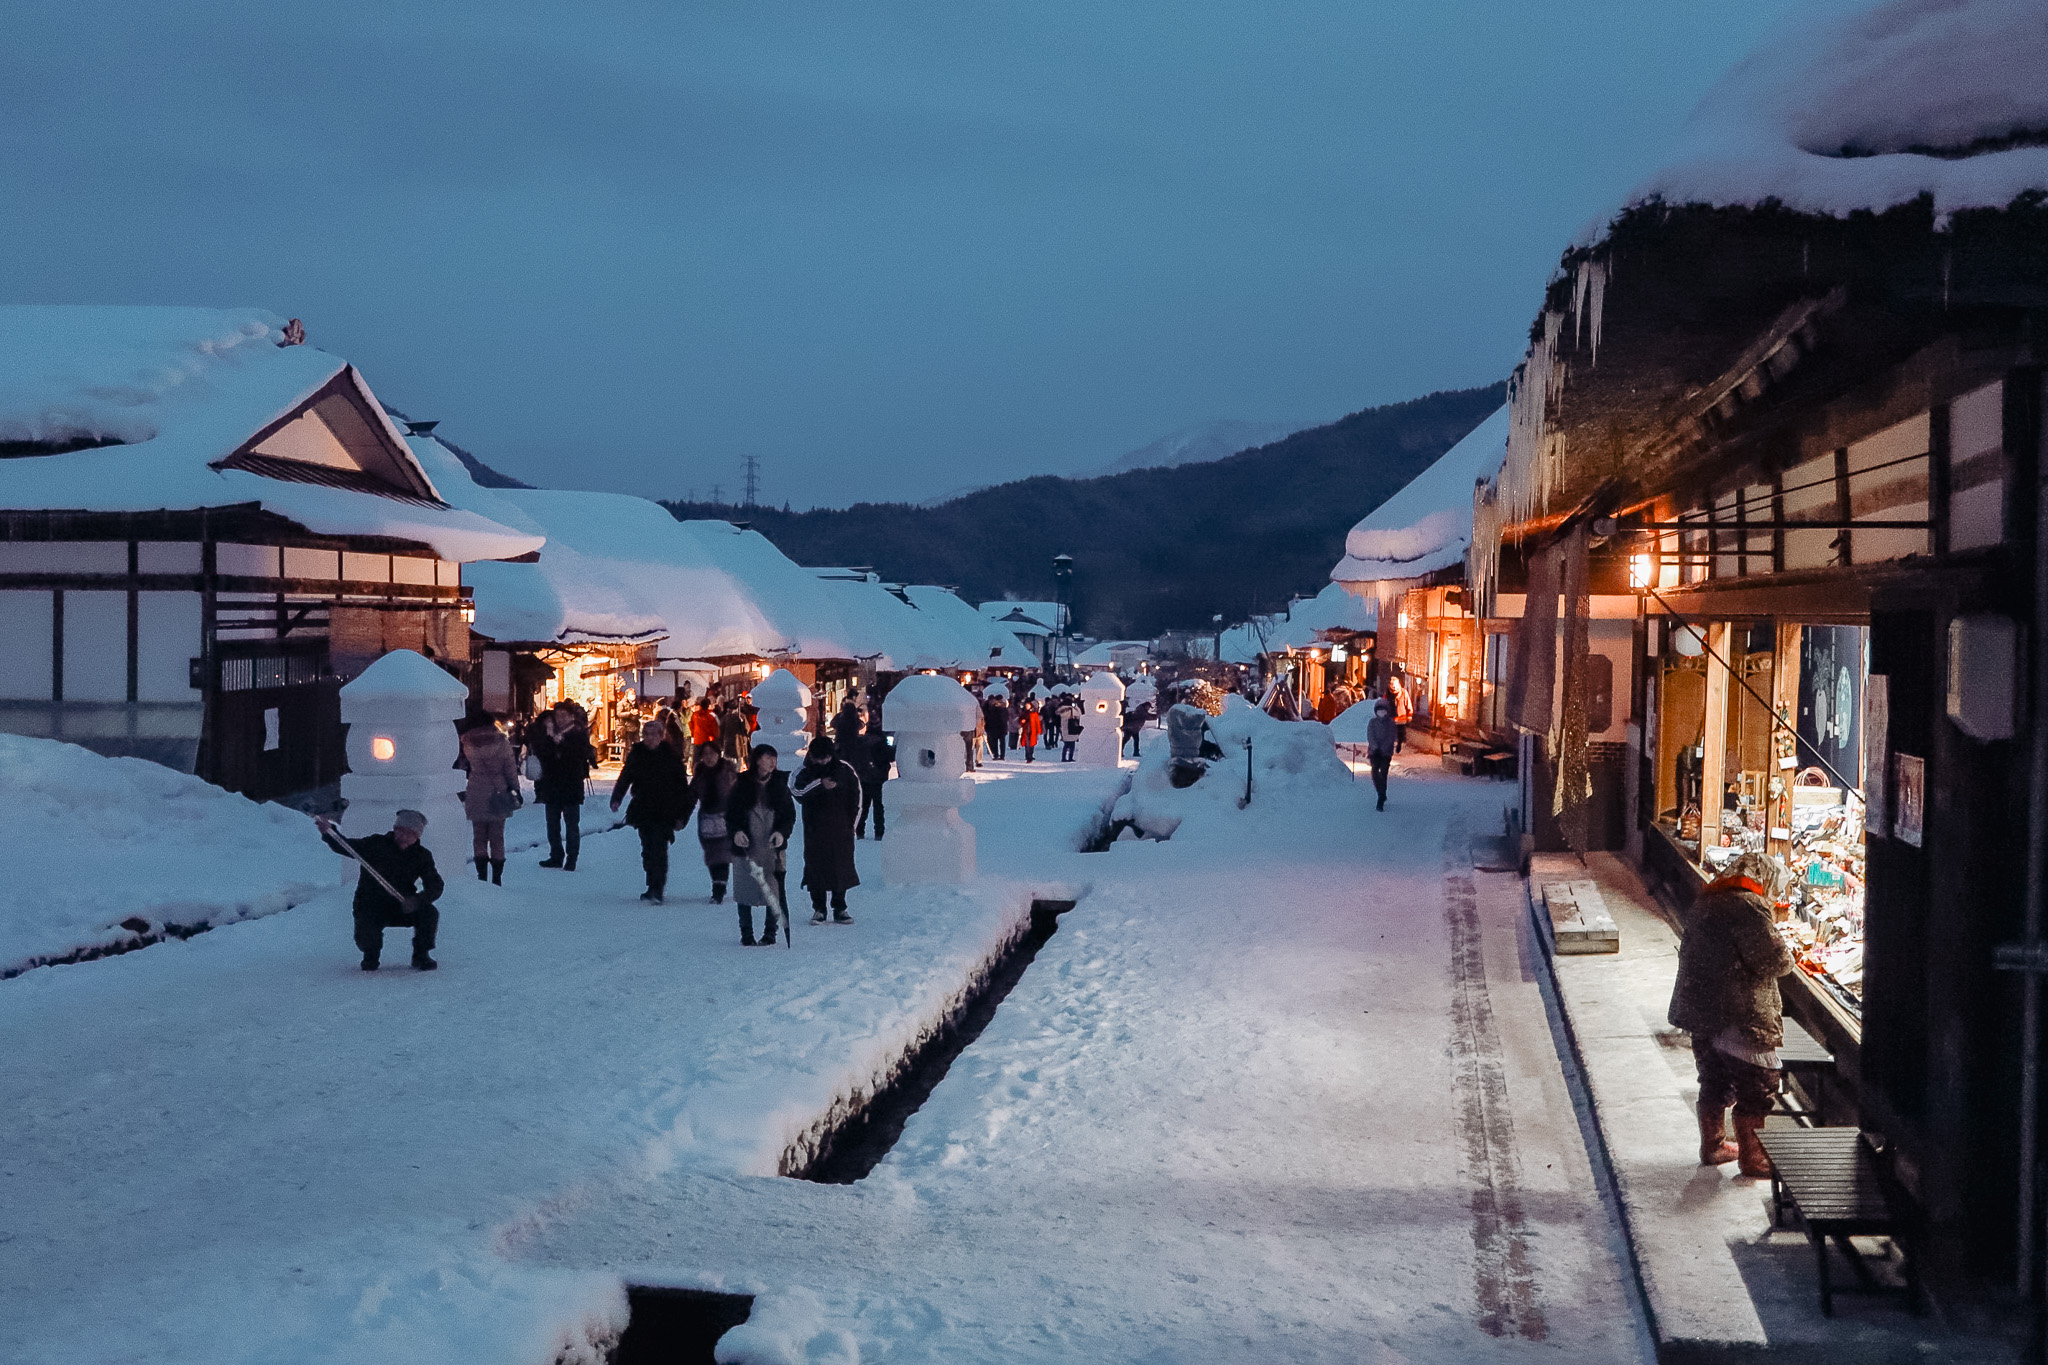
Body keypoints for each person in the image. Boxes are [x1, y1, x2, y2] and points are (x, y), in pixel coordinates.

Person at [1667, 852, 1794, 1178]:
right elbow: (1776, 961)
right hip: (1740, 1013)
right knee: (1758, 1086)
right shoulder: (1748, 907)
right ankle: (1752, 1158)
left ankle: (1713, 1146)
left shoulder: (1709, 900)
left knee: (1714, 1079)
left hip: (1702, 1012)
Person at [316, 809, 444, 971]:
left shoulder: (422, 856)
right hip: (371, 904)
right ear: (395, 829)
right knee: (366, 933)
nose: (405, 837)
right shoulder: (376, 844)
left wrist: (417, 900)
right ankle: (371, 955)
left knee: (429, 913)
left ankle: (421, 954)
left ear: (418, 836)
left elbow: (435, 885)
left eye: (411, 834)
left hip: (402, 905)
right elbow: (346, 846)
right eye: (401, 831)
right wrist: (329, 832)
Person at [610, 717, 693, 903]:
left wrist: (682, 813)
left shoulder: (671, 756)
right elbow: (626, 776)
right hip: (643, 807)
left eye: (653, 734)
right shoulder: (637, 753)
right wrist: (617, 798)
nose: (649, 738)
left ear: (661, 736)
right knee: (647, 848)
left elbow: (681, 787)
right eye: (646, 734)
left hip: (665, 809)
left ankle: (657, 888)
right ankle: (651, 884)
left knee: (659, 848)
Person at [727, 744, 796, 946]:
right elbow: (731, 814)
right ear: (757, 760)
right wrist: (736, 832)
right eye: (768, 758)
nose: (773, 762)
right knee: (744, 890)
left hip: (772, 847)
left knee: (774, 890)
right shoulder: (741, 784)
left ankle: (770, 932)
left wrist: (781, 833)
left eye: (774, 758)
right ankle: (746, 932)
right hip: (746, 846)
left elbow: (789, 816)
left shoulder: (780, 785)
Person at [793, 735, 863, 925]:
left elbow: (856, 797)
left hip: (841, 830)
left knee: (842, 868)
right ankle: (819, 909)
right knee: (815, 869)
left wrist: (852, 825)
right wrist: (819, 784)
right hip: (814, 831)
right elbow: (796, 791)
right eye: (819, 758)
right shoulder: (805, 771)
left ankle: (840, 908)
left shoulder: (845, 770)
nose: (823, 761)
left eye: (826, 757)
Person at [529, 701, 597, 871]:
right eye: (557, 715)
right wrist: (549, 740)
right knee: (552, 823)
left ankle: (572, 858)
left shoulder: (578, 732)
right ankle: (556, 855)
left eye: (564, 715)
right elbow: (540, 751)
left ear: (571, 716)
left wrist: (561, 744)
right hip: (552, 783)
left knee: (571, 824)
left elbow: (580, 754)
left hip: (571, 784)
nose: (560, 719)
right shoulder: (548, 732)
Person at [457, 717, 520, 884]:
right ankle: (497, 877)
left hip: (476, 789)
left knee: (479, 836)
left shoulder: (468, 742)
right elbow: (510, 768)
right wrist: (515, 788)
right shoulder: (502, 743)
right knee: (497, 837)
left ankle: (481, 875)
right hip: (497, 791)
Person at [687, 741, 739, 902]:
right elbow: (690, 798)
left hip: (726, 818)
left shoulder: (729, 772)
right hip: (707, 820)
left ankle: (719, 889)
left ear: (718, 754)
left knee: (722, 854)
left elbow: (740, 795)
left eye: (712, 753)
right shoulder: (700, 775)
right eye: (705, 754)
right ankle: (717, 882)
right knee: (711, 854)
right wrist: (682, 818)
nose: (709, 757)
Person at [854, 723, 893, 838]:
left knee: (863, 806)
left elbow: (856, 759)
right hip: (879, 779)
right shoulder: (882, 744)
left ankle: (860, 830)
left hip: (864, 778)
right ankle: (879, 832)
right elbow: (891, 757)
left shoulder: (861, 743)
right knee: (879, 807)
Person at [1364, 699, 1398, 811]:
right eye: (1379, 710)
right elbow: (1370, 735)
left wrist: (1383, 748)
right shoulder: (1372, 722)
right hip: (1374, 752)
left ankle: (1381, 796)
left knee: (1383, 773)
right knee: (1375, 773)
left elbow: (1391, 737)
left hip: (1385, 753)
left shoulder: (1391, 723)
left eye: (1383, 710)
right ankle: (1380, 792)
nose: (1381, 712)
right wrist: (1375, 747)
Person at [1387, 672, 1413, 753]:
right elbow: (1384, 703)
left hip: (1401, 716)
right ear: (1390, 685)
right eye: (1392, 684)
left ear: (1398, 684)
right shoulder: (1388, 693)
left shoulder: (1403, 692)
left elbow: (1408, 703)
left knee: (1400, 733)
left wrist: (1410, 714)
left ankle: (1399, 744)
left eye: (1395, 684)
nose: (1394, 686)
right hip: (1391, 717)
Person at [1058, 693, 1084, 762]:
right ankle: (1070, 757)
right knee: (1072, 744)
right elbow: (1079, 714)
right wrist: (1075, 707)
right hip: (1072, 727)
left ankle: (1063, 757)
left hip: (1064, 727)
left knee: (1066, 745)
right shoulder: (1072, 709)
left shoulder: (1061, 709)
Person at [983, 693, 1009, 761]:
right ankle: (999, 755)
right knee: (997, 741)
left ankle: (999, 755)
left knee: (999, 741)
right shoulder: (1001, 708)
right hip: (997, 726)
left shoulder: (995, 708)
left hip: (998, 726)